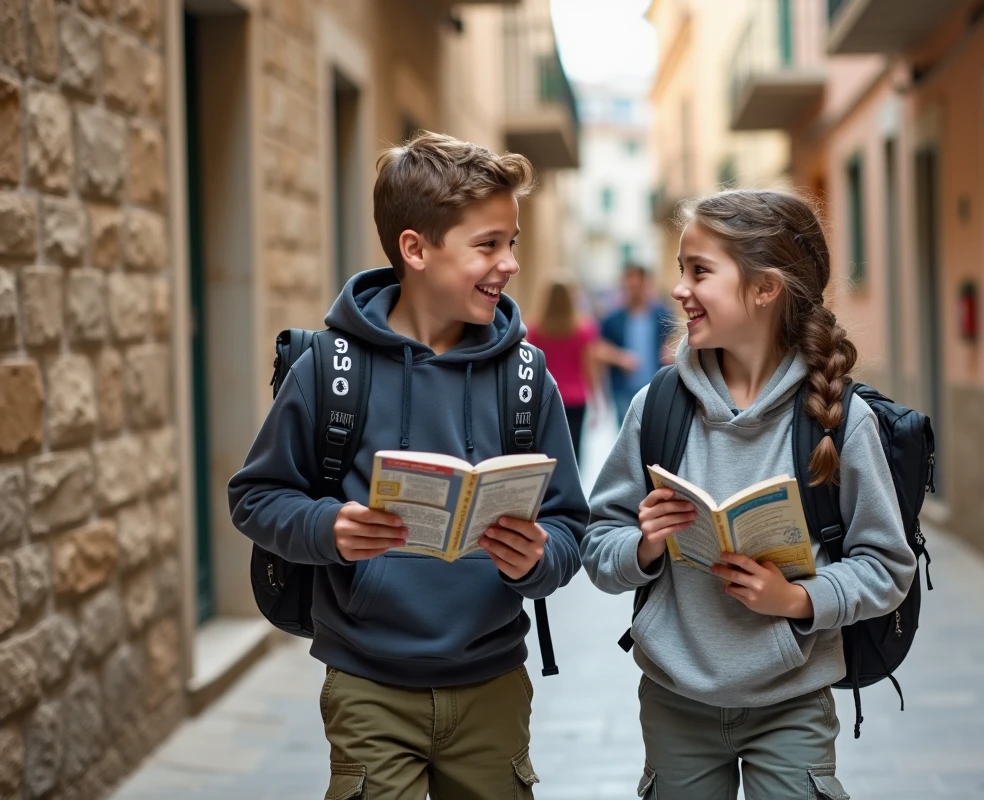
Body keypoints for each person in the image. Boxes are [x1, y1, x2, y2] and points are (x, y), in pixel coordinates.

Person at [228, 132, 588, 800]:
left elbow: (570, 524)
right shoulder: (330, 369)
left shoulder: (525, 376)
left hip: (493, 682)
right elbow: (256, 497)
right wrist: (329, 528)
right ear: (416, 250)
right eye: (488, 245)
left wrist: (539, 559)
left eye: (512, 242)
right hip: (367, 682)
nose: (510, 263)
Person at [582, 189, 916, 798]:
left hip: (793, 700)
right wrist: (644, 546)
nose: (679, 289)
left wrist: (797, 599)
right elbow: (599, 544)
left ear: (765, 288)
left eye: (699, 271)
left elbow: (887, 566)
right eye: (681, 269)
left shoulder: (840, 419)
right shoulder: (657, 407)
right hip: (675, 699)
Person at [526, 277, 637, 461]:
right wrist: (598, 403)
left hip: (545, 398)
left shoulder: (535, 330)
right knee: (573, 449)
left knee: (547, 448)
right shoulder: (583, 330)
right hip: (575, 399)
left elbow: (531, 368)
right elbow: (590, 369)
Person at [599, 263, 675, 422]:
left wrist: (669, 350)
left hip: (655, 386)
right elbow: (599, 349)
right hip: (623, 389)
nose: (634, 290)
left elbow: (673, 340)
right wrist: (619, 357)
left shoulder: (662, 315)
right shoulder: (612, 320)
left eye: (638, 285)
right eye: (630, 285)